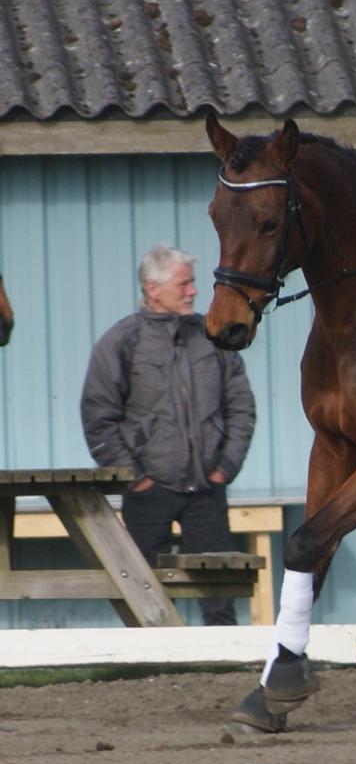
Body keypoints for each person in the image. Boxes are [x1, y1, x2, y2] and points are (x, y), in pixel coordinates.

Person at [80, 244, 256, 625]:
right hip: (149, 493)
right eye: (186, 284)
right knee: (145, 596)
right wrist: (136, 478)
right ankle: (151, 666)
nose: (194, 292)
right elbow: (98, 416)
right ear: (153, 289)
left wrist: (224, 469)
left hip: (207, 490)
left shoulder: (212, 337)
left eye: (193, 284)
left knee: (219, 597)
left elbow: (241, 407)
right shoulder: (120, 342)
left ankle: (222, 665)